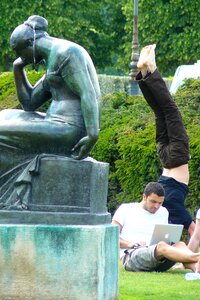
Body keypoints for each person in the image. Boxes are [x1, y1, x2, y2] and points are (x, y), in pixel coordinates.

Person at [0, 15, 100, 209]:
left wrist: (92, 133)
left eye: (20, 52)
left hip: (69, 128)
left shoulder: (67, 53)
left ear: (30, 43)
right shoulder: (52, 57)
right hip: (54, 122)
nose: (22, 57)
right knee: (4, 114)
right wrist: (17, 68)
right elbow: (29, 103)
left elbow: (88, 94)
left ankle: (7, 198)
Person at [136, 44, 195, 237]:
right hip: (165, 160)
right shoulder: (162, 207)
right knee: (160, 112)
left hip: (177, 158)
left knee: (170, 109)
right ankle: (144, 73)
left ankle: (151, 70)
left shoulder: (175, 210)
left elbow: (195, 230)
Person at [112, 182, 200, 273]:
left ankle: (196, 269)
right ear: (144, 197)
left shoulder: (163, 212)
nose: (156, 206)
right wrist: (130, 244)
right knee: (161, 246)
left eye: (160, 203)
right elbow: (111, 238)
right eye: (153, 201)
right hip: (132, 255)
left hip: (159, 257)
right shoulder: (125, 209)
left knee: (180, 244)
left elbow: (165, 239)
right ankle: (197, 257)